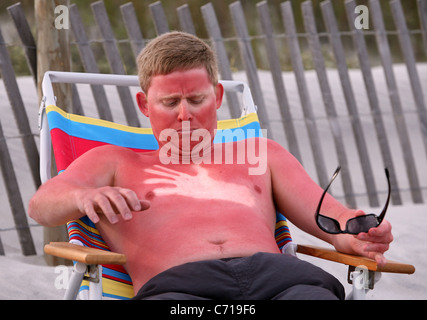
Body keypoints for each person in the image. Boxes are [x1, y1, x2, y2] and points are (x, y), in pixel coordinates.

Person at [29, 31, 393, 300]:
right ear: (144, 104)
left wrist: (361, 237)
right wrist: (82, 195)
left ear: (217, 97)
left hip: (281, 281)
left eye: (197, 99)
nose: (185, 115)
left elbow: (333, 220)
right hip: (179, 289)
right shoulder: (114, 161)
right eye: (170, 102)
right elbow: (42, 205)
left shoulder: (260, 154)